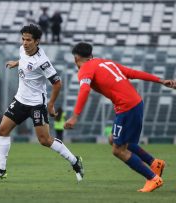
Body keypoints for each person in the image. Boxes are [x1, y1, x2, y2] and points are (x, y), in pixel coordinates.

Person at [64, 42, 175, 192]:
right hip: (135, 103)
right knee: (115, 140)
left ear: (76, 58)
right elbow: (132, 73)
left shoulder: (85, 69)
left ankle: (153, 178)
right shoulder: (105, 62)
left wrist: (75, 116)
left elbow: (84, 90)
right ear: (91, 55)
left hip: (126, 107)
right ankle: (155, 163)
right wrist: (160, 80)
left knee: (118, 150)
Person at [0, 24, 84, 182]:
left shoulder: (43, 62)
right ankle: (1, 169)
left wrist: (51, 104)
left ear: (37, 41)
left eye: (29, 40)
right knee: (2, 130)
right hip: (20, 100)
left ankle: (75, 161)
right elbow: (26, 61)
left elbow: (57, 83)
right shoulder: (22, 50)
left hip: (36, 104)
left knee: (45, 140)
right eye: (23, 39)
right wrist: (16, 63)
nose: (25, 43)